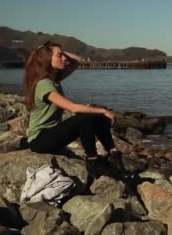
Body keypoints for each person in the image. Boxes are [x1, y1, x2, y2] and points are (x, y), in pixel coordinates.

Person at [23, 41, 122, 176]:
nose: (64, 58)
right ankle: (93, 161)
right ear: (46, 59)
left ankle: (114, 154)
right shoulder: (44, 84)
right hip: (40, 140)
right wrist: (103, 110)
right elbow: (73, 108)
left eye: (63, 55)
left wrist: (52, 51)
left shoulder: (53, 79)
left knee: (94, 114)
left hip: (51, 134)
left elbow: (77, 61)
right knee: (85, 117)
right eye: (59, 56)